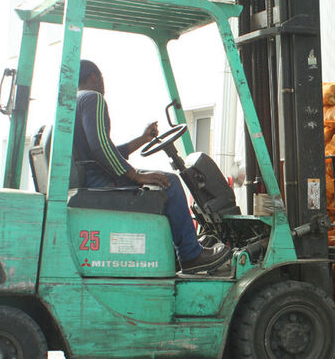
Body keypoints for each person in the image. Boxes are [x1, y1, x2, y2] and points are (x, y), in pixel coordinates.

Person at [73, 59, 231, 275]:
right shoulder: (93, 98)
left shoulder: (72, 102)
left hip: (90, 179)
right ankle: (191, 255)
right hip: (100, 183)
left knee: (159, 181)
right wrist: (135, 175)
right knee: (170, 183)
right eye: (101, 78)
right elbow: (100, 146)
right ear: (94, 77)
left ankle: (179, 252)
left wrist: (142, 139)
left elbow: (100, 151)